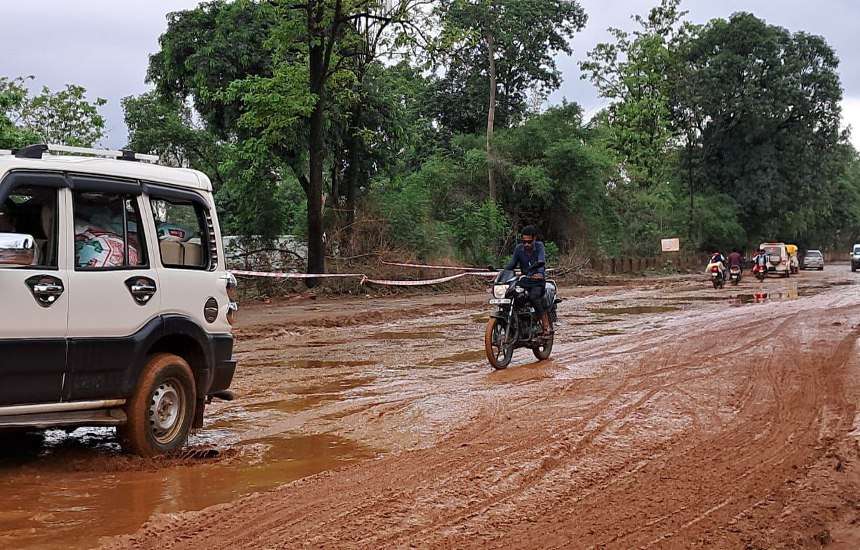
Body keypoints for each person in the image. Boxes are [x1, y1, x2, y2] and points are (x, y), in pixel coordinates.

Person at [504, 225, 552, 337]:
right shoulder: (518, 249)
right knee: (512, 295)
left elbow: (541, 261)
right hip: (524, 280)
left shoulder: (540, 247)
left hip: (537, 281)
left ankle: (545, 324)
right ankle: (516, 323)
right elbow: (512, 264)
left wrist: (539, 273)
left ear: (534, 239)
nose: (526, 244)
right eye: (524, 241)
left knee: (533, 297)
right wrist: (501, 273)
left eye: (529, 242)